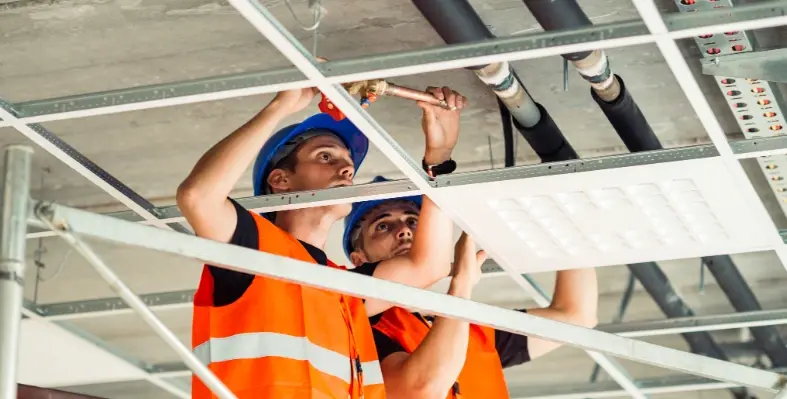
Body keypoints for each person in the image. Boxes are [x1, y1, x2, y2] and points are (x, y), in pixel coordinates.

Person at [177, 84, 467, 399]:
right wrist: (280, 107)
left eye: (347, 162)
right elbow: (198, 197)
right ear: (280, 180)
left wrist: (439, 158)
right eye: (325, 156)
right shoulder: (254, 249)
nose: (346, 168)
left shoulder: (341, 291)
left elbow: (429, 265)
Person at [343, 179, 599, 399]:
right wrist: (462, 284)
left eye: (413, 221)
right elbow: (420, 388)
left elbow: (575, 316)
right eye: (383, 226)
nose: (404, 232)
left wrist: (567, 225)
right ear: (359, 260)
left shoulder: (472, 332)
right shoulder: (357, 328)